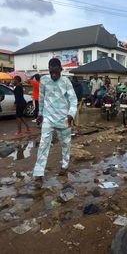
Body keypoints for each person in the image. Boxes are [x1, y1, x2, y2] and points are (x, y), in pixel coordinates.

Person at [33, 58, 77, 188]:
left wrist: (70, 115)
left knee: (65, 144)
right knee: (43, 145)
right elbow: (41, 98)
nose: (53, 75)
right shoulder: (44, 80)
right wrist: (40, 114)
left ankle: (64, 166)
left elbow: (73, 101)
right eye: (51, 72)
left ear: (61, 70)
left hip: (64, 119)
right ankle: (39, 175)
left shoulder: (66, 82)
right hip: (48, 118)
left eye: (56, 72)